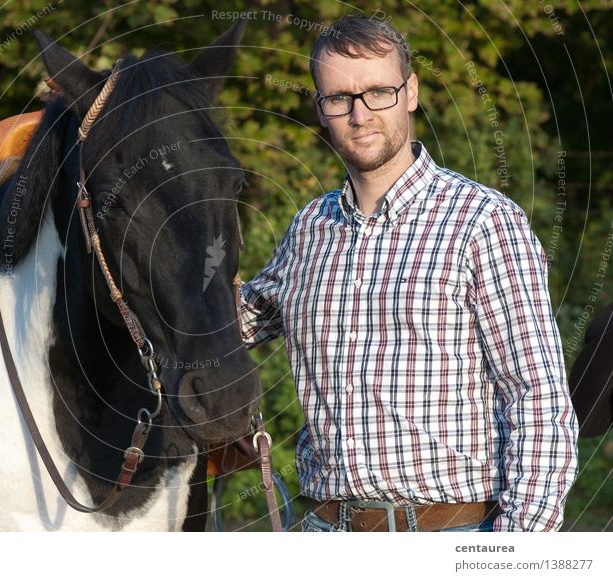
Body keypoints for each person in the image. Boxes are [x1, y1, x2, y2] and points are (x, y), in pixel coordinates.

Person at [240, 15, 578, 532]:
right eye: (339, 98)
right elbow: (226, 325)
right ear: (321, 108)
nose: (359, 114)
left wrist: (516, 553)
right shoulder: (310, 227)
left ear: (411, 92)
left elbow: (538, 397)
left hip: (450, 535)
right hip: (323, 532)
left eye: (378, 92)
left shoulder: (481, 222)